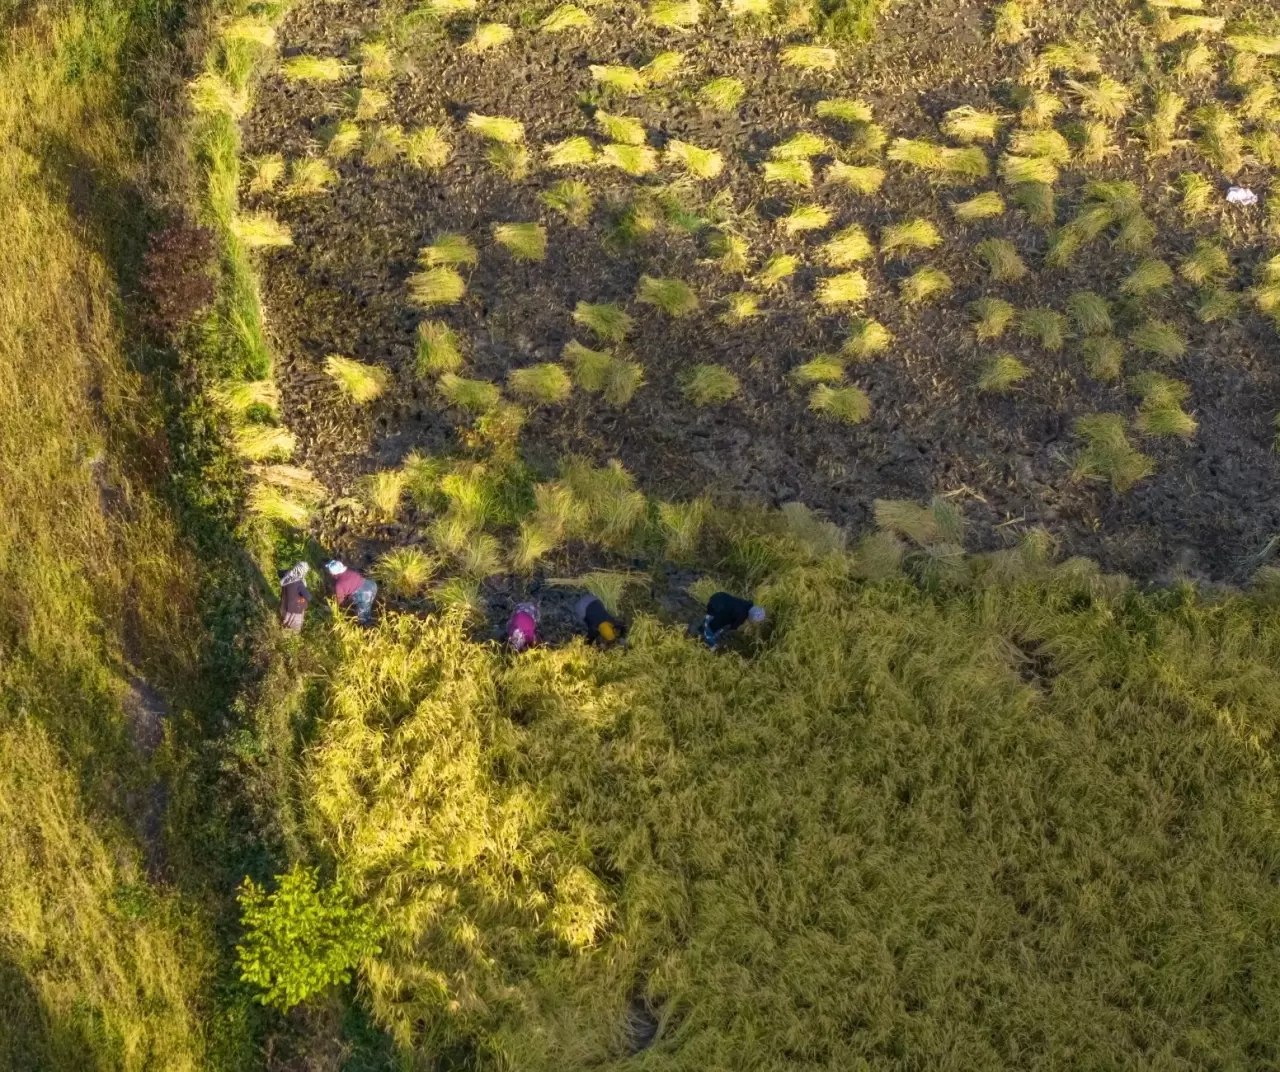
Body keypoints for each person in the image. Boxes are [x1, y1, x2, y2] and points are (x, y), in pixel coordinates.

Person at [326, 560, 378, 625]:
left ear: (334, 574)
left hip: (365, 595)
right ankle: (370, 608)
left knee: (363, 619)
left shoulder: (339, 585)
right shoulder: (350, 570)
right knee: (368, 604)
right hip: (372, 585)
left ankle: (369, 628)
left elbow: (341, 602)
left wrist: (344, 608)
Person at [279, 561, 311, 632]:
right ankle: (287, 637)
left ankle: (282, 631)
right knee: (293, 630)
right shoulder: (299, 584)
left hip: (284, 606)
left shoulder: (287, 575)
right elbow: (309, 597)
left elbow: (279, 572)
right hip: (294, 610)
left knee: (283, 621)